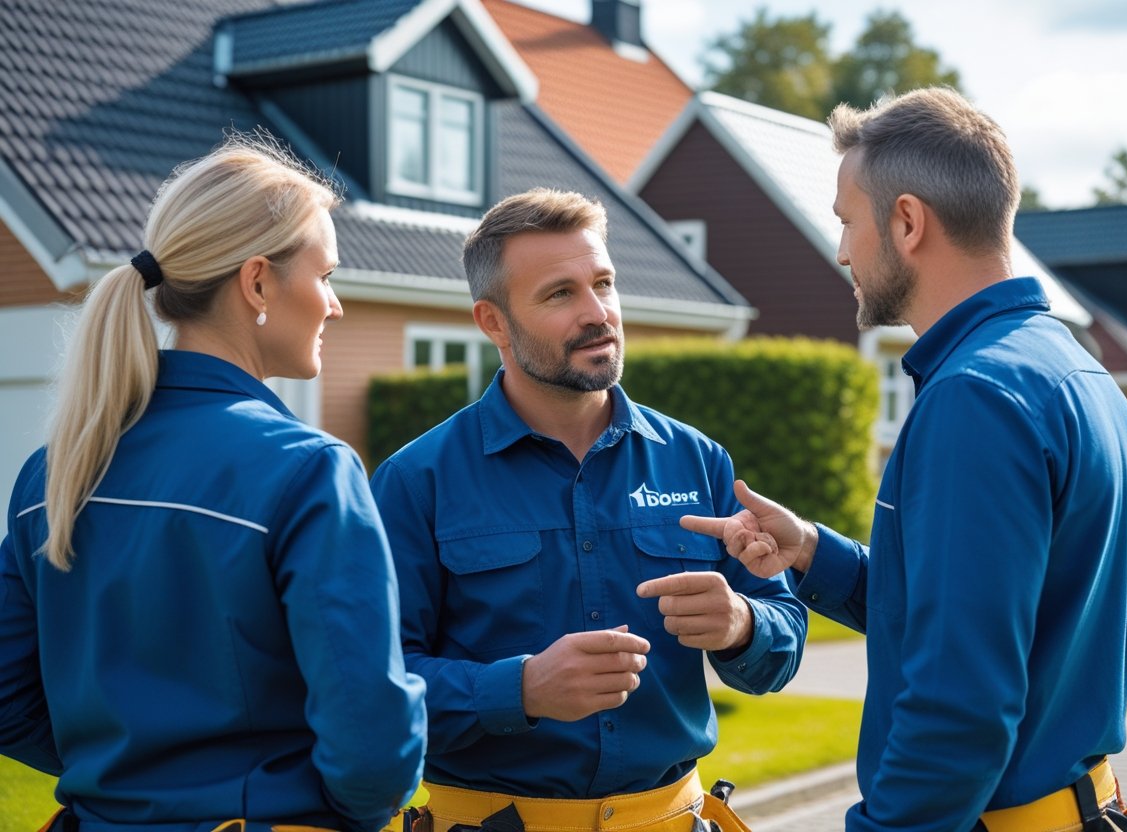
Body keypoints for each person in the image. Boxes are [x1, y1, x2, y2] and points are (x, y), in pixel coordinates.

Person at [682, 87, 1127, 832]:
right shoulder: (1075, 371)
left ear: (906, 222)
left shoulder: (978, 398)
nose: (841, 250)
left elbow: (958, 706)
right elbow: (965, 612)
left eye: (846, 222)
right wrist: (809, 550)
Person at [0, 136, 427, 832]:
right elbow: (372, 742)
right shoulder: (310, 470)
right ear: (258, 283)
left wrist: (132, 784)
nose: (336, 305)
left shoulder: (54, 470)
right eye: (326, 276)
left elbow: (6, 695)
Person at [370, 188, 807, 832]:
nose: (597, 313)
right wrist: (520, 689)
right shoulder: (416, 480)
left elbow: (783, 637)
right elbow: (377, 688)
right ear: (492, 322)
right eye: (559, 294)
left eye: (603, 283)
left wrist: (744, 623)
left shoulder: (697, 460)